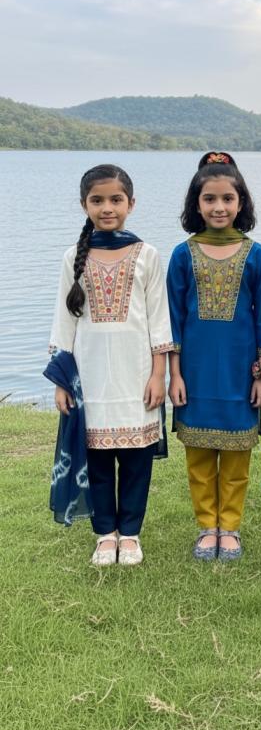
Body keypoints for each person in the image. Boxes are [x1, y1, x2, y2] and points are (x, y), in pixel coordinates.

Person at [46, 165, 173, 566]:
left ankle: (130, 534)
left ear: (131, 204)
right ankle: (105, 535)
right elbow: (64, 321)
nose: (107, 208)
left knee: (136, 462)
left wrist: (159, 374)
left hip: (137, 375)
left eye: (116, 200)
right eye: (97, 200)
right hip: (90, 378)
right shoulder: (73, 257)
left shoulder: (147, 254)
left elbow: (159, 319)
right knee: (97, 461)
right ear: (84, 204)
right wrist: (61, 381)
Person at [167, 152, 261, 561]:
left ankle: (229, 528)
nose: (219, 207)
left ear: (240, 202)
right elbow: (172, 319)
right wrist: (174, 375)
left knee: (235, 455)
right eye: (209, 199)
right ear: (196, 204)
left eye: (228, 198)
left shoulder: (256, 254)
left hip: (239, 371)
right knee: (198, 457)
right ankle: (206, 526)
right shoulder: (182, 254)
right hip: (194, 372)